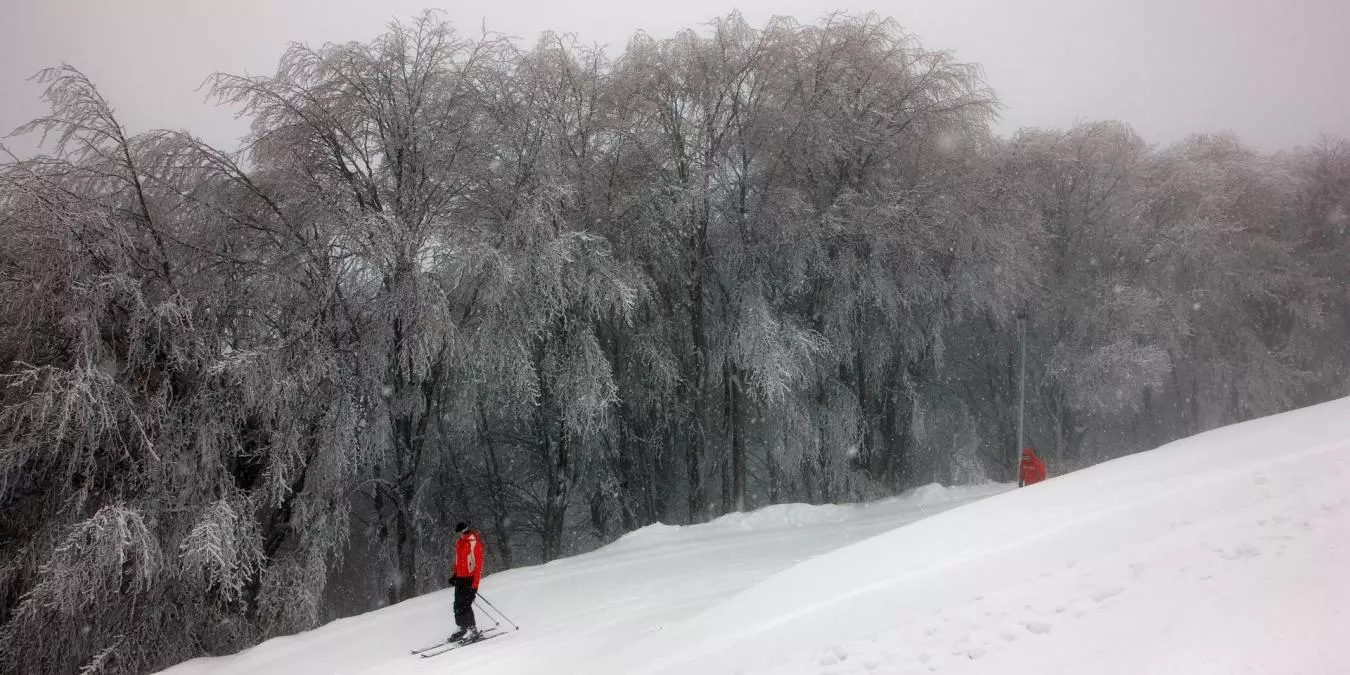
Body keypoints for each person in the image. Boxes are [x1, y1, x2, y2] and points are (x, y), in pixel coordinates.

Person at [448, 522, 485, 642]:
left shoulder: (474, 543)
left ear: (463, 531)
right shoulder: (459, 543)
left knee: (466, 605)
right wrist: (455, 575)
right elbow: (458, 561)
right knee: (457, 604)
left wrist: (475, 586)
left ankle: (472, 630)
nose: (458, 536)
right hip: (460, 579)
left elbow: (478, 566)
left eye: (459, 533)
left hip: (469, 579)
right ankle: (462, 627)